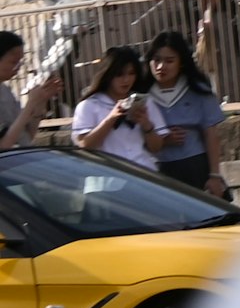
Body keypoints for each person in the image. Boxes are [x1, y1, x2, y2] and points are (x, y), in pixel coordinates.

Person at [138, 30, 227, 198]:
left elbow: (211, 134)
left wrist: (215, 175)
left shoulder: (198, 90)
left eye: (169, 61)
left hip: (194, 165)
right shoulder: (140, 96)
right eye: (156, 60)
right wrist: (162, 139)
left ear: (182, 62)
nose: (161, 67)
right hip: (156, 168)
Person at [69, 47, 159, 171]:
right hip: (107, 177)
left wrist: (147, 125)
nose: (126, 80)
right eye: (119, 74)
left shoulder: (144, 101)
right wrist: (111, 118)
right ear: (108, 74)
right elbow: (84, 145)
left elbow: (157, 147)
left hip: (143, 174)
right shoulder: (89, 105)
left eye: (131, 73)